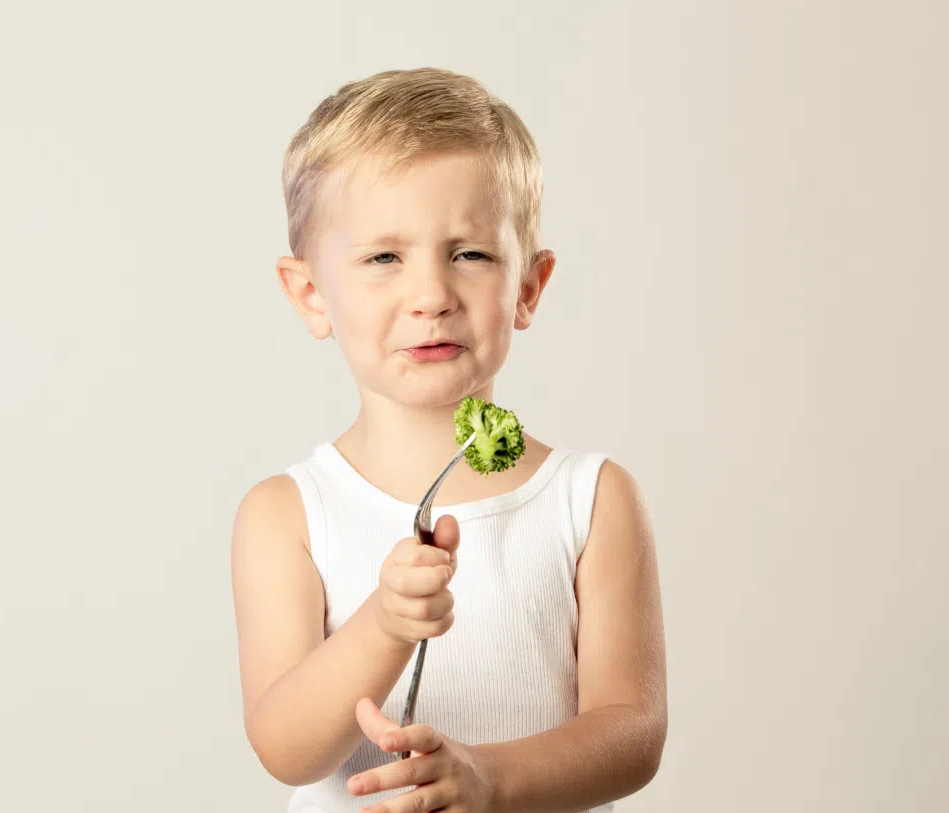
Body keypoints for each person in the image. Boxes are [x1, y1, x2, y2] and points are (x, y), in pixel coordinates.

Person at [230, 67, 667, 813]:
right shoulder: (286, 514)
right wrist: (384, 624)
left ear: (528, 285)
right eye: (383, 258)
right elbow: (285, 746)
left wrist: (489, 777)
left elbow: (633, 732)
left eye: (469, 254)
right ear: (311, 294)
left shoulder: (590, 500)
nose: (431, 294)